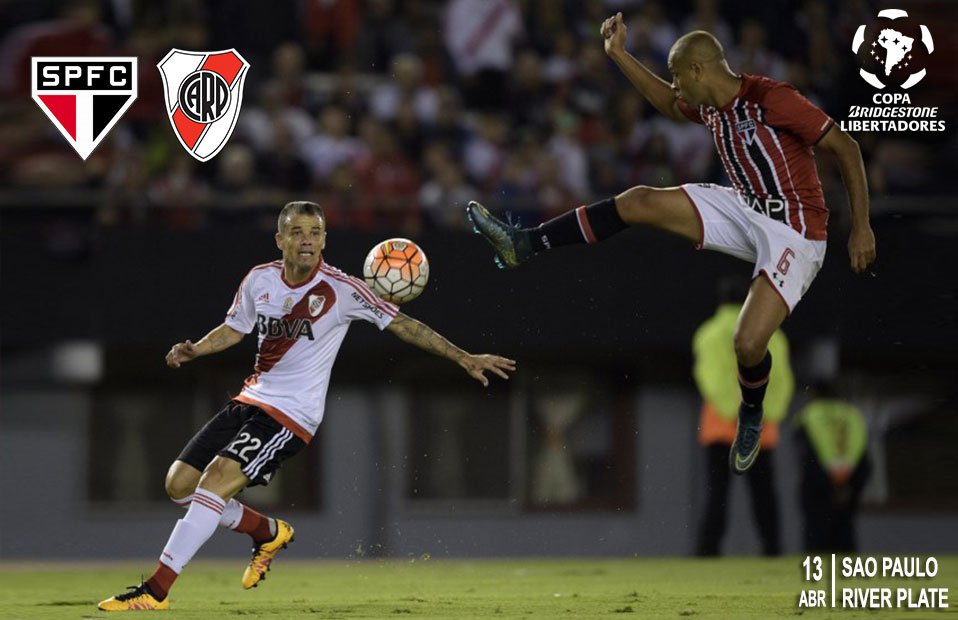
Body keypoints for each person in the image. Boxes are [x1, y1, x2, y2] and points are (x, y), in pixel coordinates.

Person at [467, 13, 876, 475]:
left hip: (796, 230)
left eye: (679, 76)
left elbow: (846, 146)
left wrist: (861, 226)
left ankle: (751, 411)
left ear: (698, 70)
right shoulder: (710, 105)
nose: (676, 87)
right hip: (744, 207)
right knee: (638, 201)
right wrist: (619, 55)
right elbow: (667, 103)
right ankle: (525, 244)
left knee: (747, 343)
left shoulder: (771, 98)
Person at [97, 201, 516, 611]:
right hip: (250, 399)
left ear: (325, 240)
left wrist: (463, 357)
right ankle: (267, 532)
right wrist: (197, 349)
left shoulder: (343, 289)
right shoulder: (260, 279)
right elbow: (234, 328)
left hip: (291, 415)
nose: (307, 241)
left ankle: (156, 591)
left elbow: (404, 325)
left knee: (215, 480)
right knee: (179, 485)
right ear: (280, 239)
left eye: (315, 233)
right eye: (297, 232)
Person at [693, 276, 793, 556]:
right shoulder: (773, 334)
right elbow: (782, 380)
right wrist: (761, 411)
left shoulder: (709, 333)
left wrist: (731, 409)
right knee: (765, 494)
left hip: (719, 426)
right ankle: (773, 549)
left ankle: (708, 550)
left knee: (717, 493)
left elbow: (708, 377)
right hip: (761, 426)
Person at [796, 382, 871, 552]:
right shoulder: (852, 415)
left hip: (818, 488)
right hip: (849, 487)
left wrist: (826, 484)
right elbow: (864, 456)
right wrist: (849, 485)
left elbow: (806, 457)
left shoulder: (810, 415)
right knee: (845, 536)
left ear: (814, 395)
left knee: (816, 538)